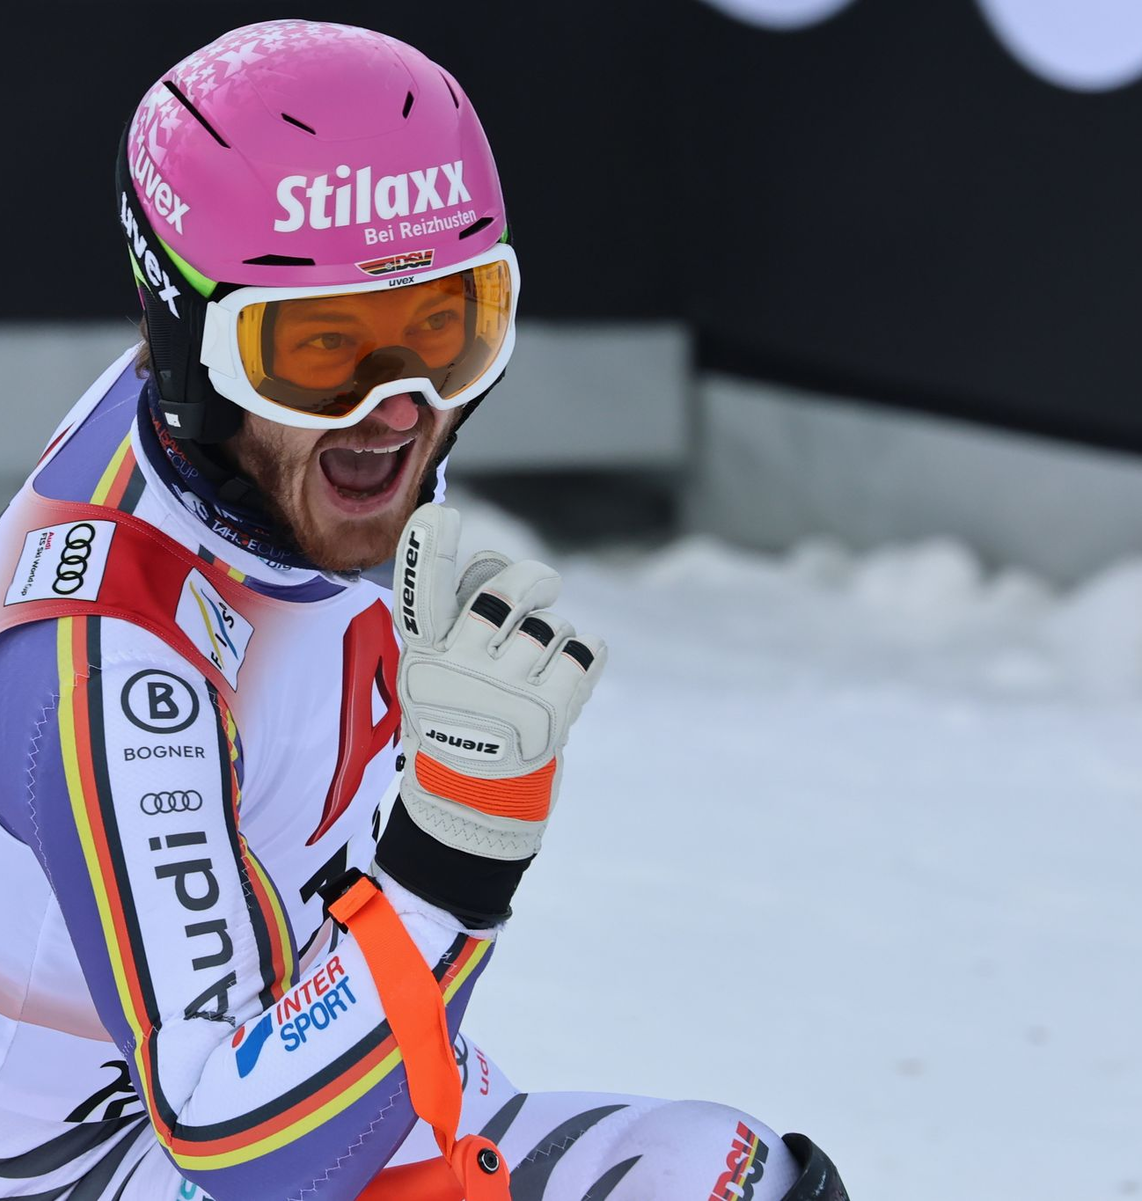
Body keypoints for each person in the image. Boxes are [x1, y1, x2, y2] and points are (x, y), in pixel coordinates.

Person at [0, 19, 847, 1200]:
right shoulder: (114, 665)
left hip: (322, 1078)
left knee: (736, 1180)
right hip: (105, 1161)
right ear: (186, 341)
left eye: (446, 331)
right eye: (323, 347)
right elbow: (246, 1153)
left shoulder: (254, 447)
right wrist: (452, 851)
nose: (397, 413)